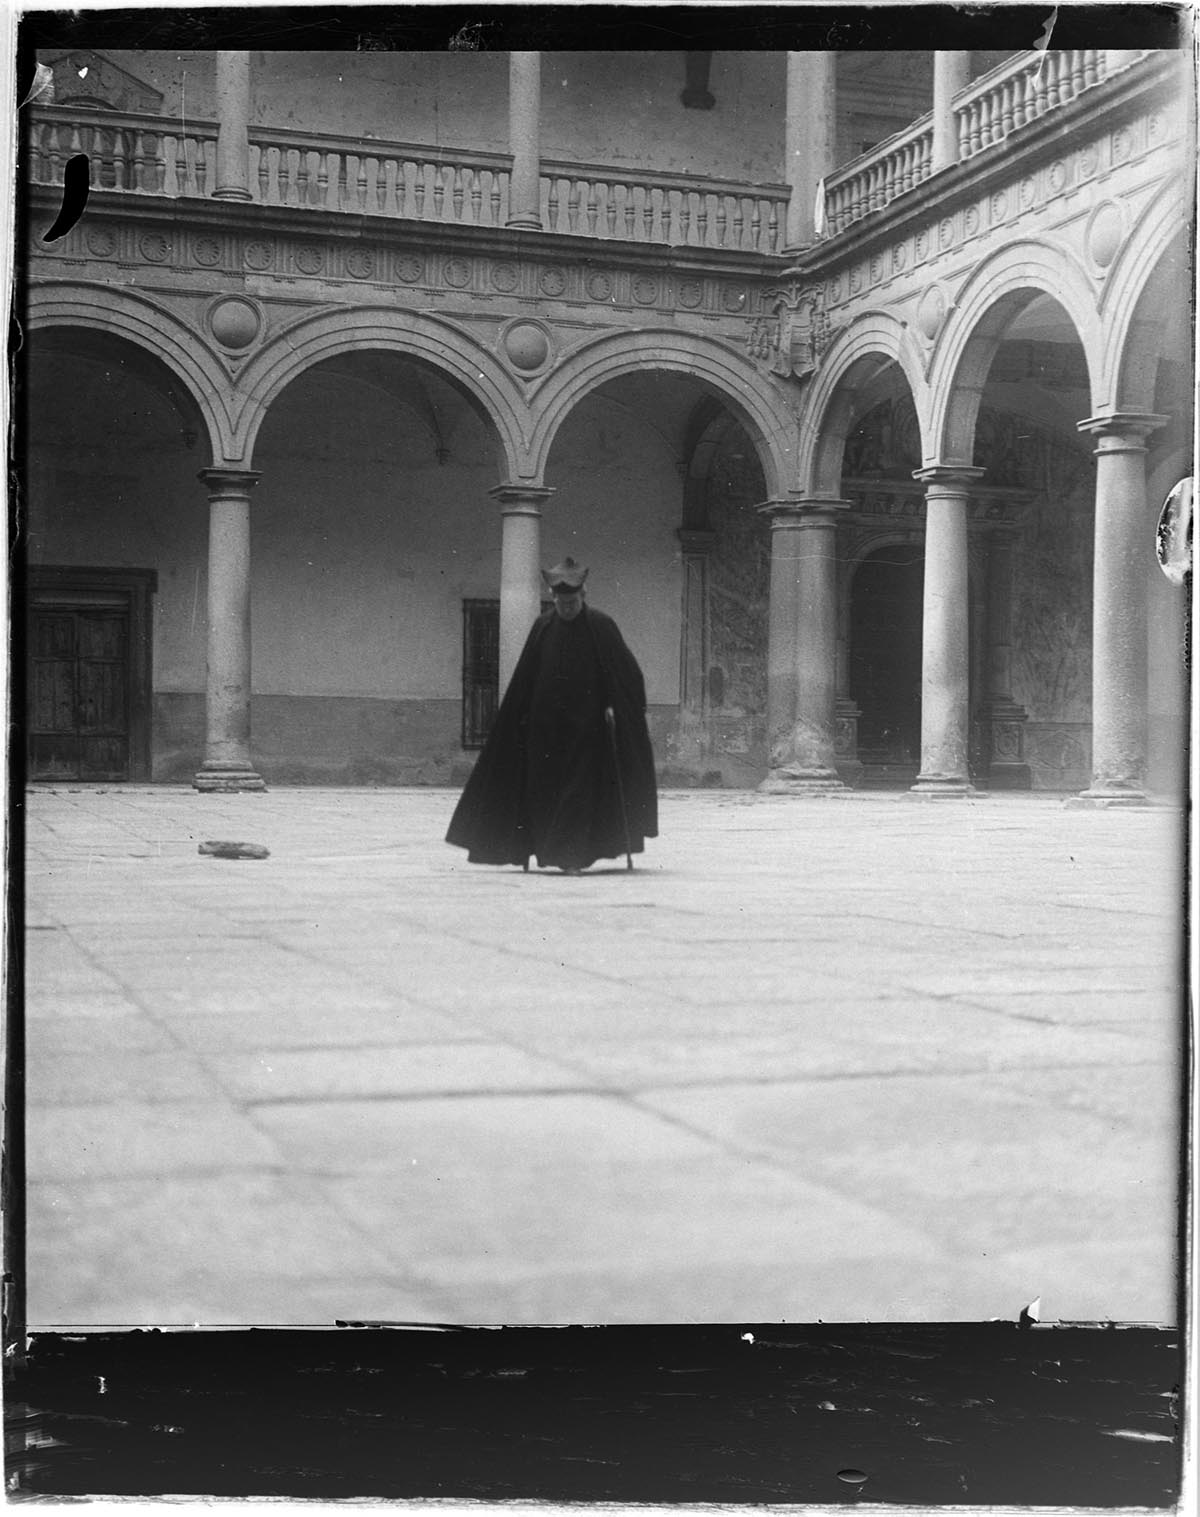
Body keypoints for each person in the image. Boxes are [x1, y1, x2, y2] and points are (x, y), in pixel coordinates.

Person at [446, 557, 658, 872]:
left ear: (583, 596)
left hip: (586, 732)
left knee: (576, 795)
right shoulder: (543, 626)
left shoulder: (601, 625)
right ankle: (543, 850)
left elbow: (627, 675)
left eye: (571, 602)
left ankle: (570, 858)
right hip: (543, 732)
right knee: (543, 794)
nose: (566, 608)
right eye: (561, 602)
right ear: (553, 599)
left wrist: (616, 706)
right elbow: (525, 678)